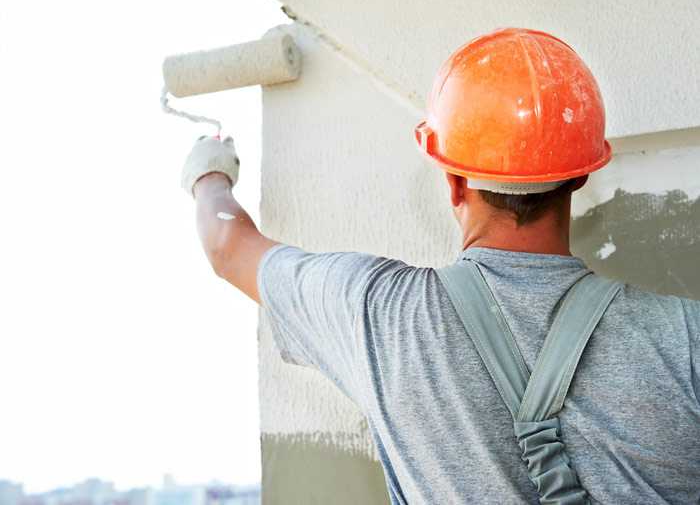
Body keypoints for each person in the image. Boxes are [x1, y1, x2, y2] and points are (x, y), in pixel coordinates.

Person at [179, 29, 700, 503]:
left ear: (453, 180)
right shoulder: (685, 337)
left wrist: (210, 172)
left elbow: (228, 246)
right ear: (580, 176)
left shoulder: (379, 314)